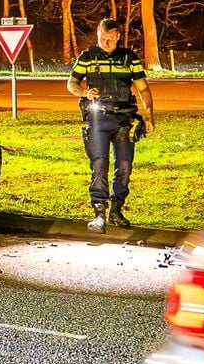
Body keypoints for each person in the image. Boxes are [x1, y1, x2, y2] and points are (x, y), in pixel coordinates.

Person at [66, 18, 156, 233]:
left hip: (124, 120)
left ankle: (116, 209)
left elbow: (143, 88)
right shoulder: (87, 57)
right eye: (102, 38)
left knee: (125, 165)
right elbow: (71, 83)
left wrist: (150, 114)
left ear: (117, 35)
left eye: (109, 38)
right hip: (98, 120)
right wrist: (84, 93)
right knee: (99, 165)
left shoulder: (129, 58)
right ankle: (99, 214)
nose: (105, 43)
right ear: (98, 35)